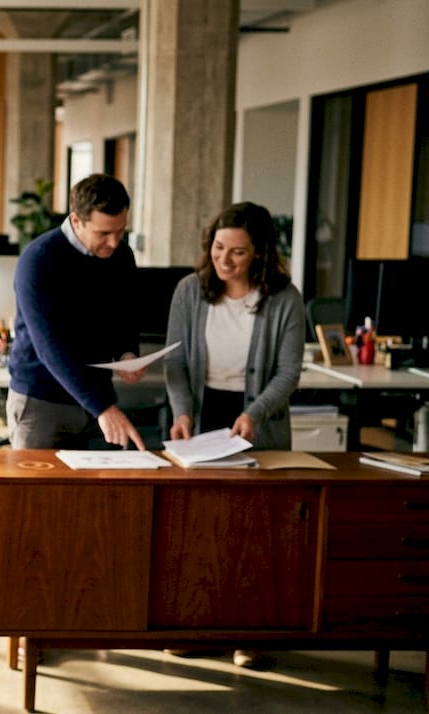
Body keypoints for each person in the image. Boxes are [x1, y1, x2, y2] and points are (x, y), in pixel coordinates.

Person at [162, 201, 305, 670]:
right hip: (202, 415)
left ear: (260, 254)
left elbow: (288, 372)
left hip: (256, 421)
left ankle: (251, 634)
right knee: (201, 529)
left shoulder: (285, 299)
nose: (224, 260)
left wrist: (255, 414)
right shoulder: (190, 290)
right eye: (219, 248)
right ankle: (200, 626)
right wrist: (182, 411)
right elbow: (176, 362)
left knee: (255, 533)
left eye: (238, 253)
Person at [6, 173, 147, 450]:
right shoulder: (39, 260)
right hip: (42, 402)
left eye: (121, 232)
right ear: (76, 221)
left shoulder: (121, 256)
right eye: (103, 233)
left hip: (95, 400)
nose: (114, 242)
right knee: (36, 492)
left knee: (92, 493)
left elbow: (125, 316)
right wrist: (104, 408)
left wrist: (127, 352)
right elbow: (50, 347)